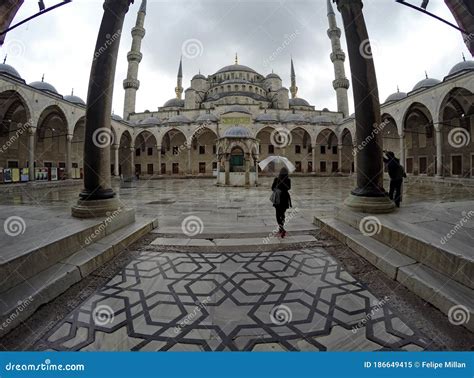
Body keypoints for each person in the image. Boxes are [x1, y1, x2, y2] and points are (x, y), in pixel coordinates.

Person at [271, 167, 292, 238]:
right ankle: (281, 227)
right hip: (285, 198)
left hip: (278, 198)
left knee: (277, 213)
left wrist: (277, 187)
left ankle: (281, 228)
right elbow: (288, 188)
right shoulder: (288, 180)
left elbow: (272, 188)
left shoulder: (276, 179)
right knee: (283, 214)